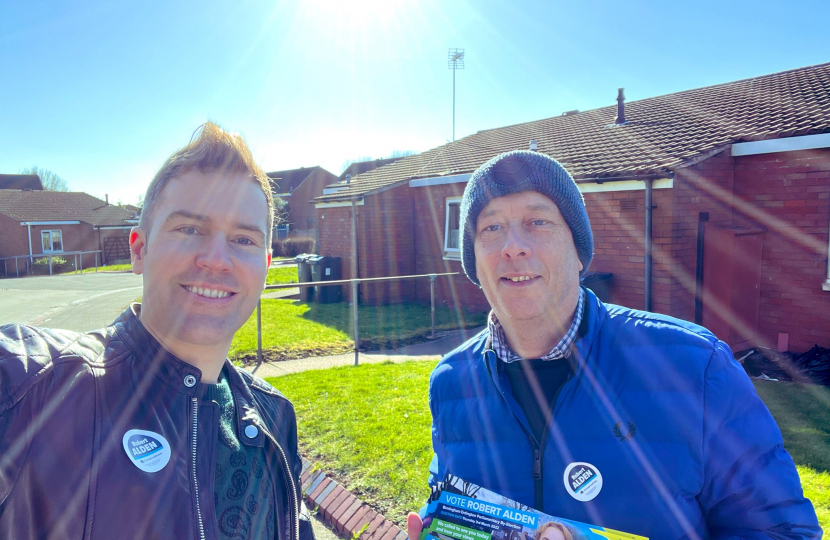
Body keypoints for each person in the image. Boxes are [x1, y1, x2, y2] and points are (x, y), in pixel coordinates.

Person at [407, 151, 820, 539]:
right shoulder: (451, 381)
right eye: (491, 227)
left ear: (579, 252)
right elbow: (452, 503)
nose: (513, 245)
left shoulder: (695, 366)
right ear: (474, 261)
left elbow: (780, 530)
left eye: (538, 221)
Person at [0, 122, 315, 540]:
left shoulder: (275, 419)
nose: (217, 259)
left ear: (266, 266)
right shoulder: (37, 388)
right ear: (139, 249)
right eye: (190, 229)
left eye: (243, 239)